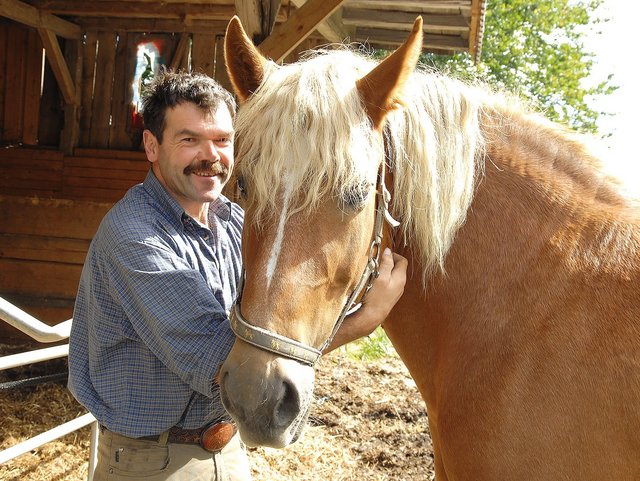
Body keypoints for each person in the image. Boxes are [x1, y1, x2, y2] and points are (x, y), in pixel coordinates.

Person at [68, 70, 408, 481]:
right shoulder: (134, 234)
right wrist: (364, 321)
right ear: (152, 146)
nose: (210, 155)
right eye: (189, 139)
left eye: (223, 140)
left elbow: (272, 316)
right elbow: (228, 363)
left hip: (229, 450)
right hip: (152, 463)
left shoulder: (233, 221)